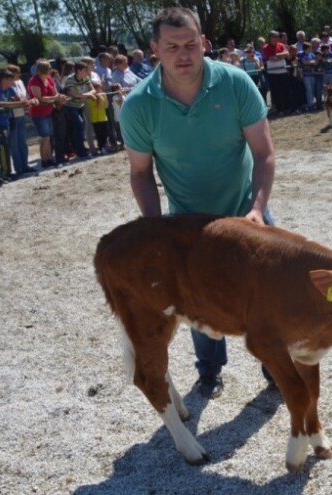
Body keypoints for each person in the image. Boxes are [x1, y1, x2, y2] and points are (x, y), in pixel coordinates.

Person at [120, 7, 276, 399]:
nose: (184, 54)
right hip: (188, 223)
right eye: (172, 46)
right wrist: (154, 229)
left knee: (267, 293)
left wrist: (257, 208)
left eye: (191, 44)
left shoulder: (236, 83)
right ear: (155, 49)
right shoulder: (139, 106)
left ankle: (275, 363)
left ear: (204, 43)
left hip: (246, 209)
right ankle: (209, 370)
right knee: (197, 300)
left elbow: (264, 153)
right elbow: (140, 172)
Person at [0, 69, 32, 185]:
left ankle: (7, 171)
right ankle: (4, 172)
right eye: (10, 79)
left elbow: (19, 99)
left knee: (5, 146)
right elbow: (1, 103)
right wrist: (20, 104)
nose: (13, 82)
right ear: (3, 80)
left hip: (5, 121)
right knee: (3, 147)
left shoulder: (10, 89)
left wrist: (26, 102)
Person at [28, 60, 67, 169]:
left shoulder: (49, 79)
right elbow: (38, 98)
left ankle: (50, 158)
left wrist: (60, 96)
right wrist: (55, 98)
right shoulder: (34, 81)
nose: (51, 70)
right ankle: (44, 160)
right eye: (49, 68)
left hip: (48, 111)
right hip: (38, 113)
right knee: (44, 137)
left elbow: (55, 93)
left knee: (49, 137)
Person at [6, 65, 36, 176]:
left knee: (23, 142)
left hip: (22, 115)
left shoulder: (20, 83)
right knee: (14, 143)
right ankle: (19, 168)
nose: (19, 75)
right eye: (16, 73)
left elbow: (25, 96)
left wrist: (28, 102)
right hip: (12, 117)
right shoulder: (6, 87)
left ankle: (25, 165)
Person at [86, 82, 109, 155]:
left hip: (103, 117)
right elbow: (98, 106)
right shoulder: (90, 98)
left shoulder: (103, 95)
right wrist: (98, 97)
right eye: (99, 88)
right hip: (96, 119)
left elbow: (106, 106)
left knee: (105, 134)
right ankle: (101, 148)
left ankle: (104, 147)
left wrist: (105, 97)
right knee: (99, 135)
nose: (101, 90)